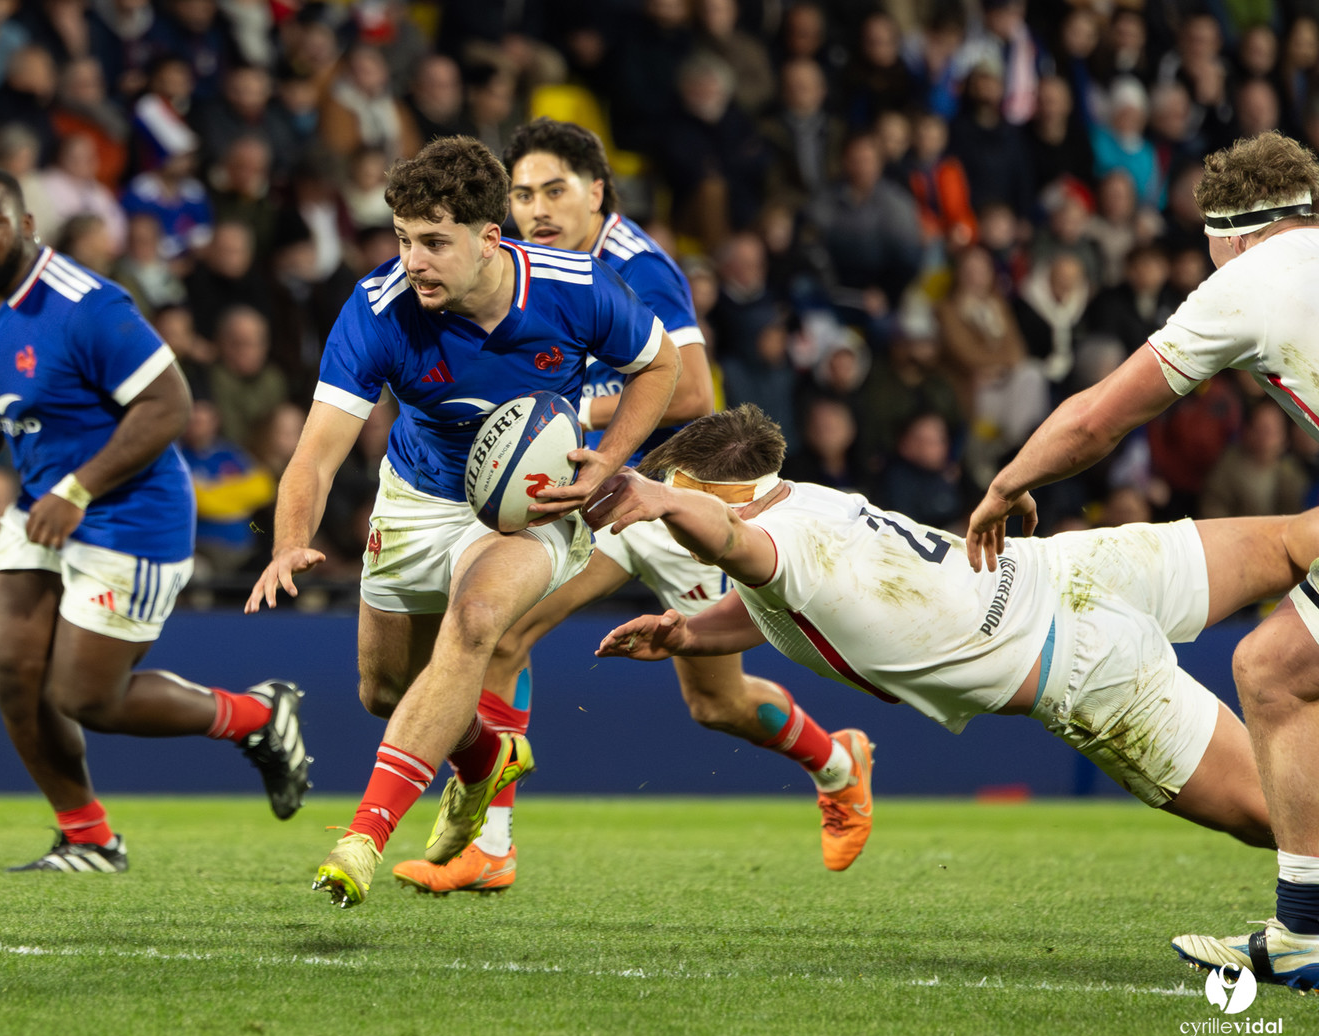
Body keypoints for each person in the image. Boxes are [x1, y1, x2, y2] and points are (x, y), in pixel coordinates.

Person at [388, 118, 875, 898]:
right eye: (522, 193)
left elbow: (690, 392)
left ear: (598, 194)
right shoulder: (520, 272)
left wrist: (555, 416)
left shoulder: (634, 267)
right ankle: (493, 847)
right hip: (600, 494)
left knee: (715, 705)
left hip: (675, 499)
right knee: (504, 630)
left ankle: (839, 761)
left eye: (555, 190)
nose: (537, 208)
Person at [245, 136, 681, 908]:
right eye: (404, 239)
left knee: (478, 622)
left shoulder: (577, 287)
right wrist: (288, 542)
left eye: (434, 242)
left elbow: (663, 367)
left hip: (529, 507)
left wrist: (608, 461)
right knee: (385, 691)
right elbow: (315, 453)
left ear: (490, 240)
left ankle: (362, 839)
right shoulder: (377, 309)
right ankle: (486, 758)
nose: (413, 260)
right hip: (418, 498)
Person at [594, 405, 1305, 873]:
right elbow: (777, 599)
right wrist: (689, 632)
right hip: (1076, 567)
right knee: (1290, 541)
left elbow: (726, 538)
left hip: (1084, 671)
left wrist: (660, 497)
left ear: (694, 488)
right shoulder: (805, 502)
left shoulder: (755, 538)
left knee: (1286, 820)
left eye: (673, 495)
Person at [966, 131, 1319, 991]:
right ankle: (1305, 930)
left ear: (1231, 231)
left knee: (1272, 670)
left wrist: (1010, 480)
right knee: (1283, 664)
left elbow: (1098, 418)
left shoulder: (1248, 278)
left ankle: (1307, 933)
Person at [0, 166, 310, 874]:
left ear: (25, 226)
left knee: (85, 696)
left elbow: (168, 405)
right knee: (10, 667)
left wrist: (78, 490)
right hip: (45, 509)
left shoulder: (87, 305)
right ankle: (88, 838)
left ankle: (256, 717)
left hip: (131, 517)